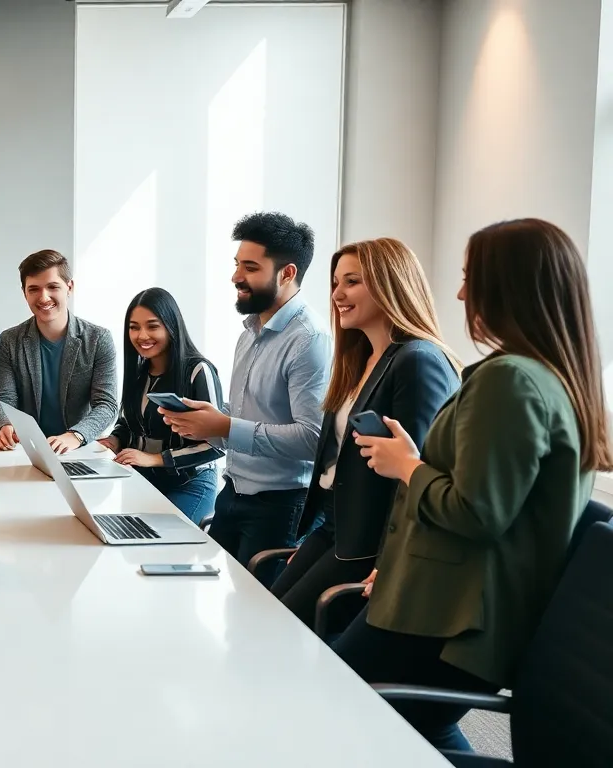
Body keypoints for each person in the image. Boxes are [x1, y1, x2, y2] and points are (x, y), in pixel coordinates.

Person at [347, 219, 611, 752]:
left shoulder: (509, 379)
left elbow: (477, 512)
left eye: (471, 277)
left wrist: (408, 467)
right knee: (424, 727)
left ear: (507, 286)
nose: (462, 292)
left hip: (451, 624)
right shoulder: (546, 376)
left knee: (326, 698)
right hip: (456, 611)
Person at [269, 239, 459, 631]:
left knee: (282, 631)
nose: (337, 294)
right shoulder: (358, 357)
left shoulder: (417, 361)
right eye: (336, 282)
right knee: (266, 617)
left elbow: (414, 473)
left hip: (368, 541)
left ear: (391, 285)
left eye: (352, 282)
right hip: (334, 526)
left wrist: (390, 561)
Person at [161, 212, 332, 578]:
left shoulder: (310, 339)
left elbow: (314, 438)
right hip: (233, 495)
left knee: (261, 624)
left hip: (281, 507)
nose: (236, 276)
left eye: (250, 267)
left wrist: (225, 425)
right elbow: (253, 415)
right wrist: (208, 420)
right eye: (237, 264)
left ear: (287, 273)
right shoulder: (249, 332)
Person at [98, 288, 224, 524]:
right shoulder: (139, 373)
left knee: (160, 546)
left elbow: (216, 446)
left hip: (188, 483)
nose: (142, 335)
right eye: (134, 327)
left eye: (153, 326)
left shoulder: (198, 371)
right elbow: (129, 422)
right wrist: (114, 440)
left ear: (171, 326)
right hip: (142, 478)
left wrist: (155, 459)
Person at [0, 249, 118, 453]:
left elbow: (107, 404)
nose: (44, 297)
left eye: (52, 287)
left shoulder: (98, 339)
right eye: (34, 289)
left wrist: (75, 436)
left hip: (77, 448)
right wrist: (4, 424)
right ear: (24, 292)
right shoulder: (9, 340)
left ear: (69, 287)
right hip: (26, 450)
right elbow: (3, 397)